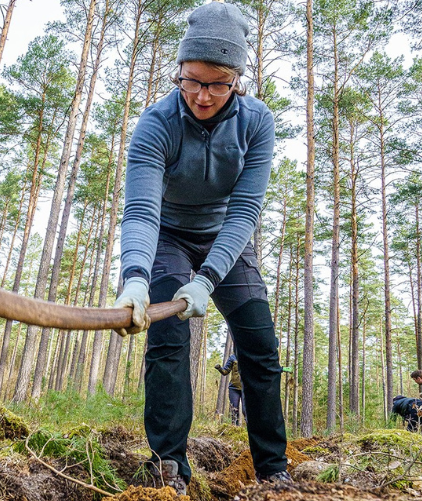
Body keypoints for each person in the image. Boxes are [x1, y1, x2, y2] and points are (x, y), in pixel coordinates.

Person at [112, 1, 290, 494]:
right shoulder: (156, 124)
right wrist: (135, 278)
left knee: (259, 346)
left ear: (238, 80)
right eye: (191, 80)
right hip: (167, 235)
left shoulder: (257, 122)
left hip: (226, 239)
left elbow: (245, 211)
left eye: (217, 83)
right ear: (179, 72)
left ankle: (273, 466)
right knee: (167, 340)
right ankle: (169, 464)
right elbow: (142, 212)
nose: (202, 95)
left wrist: (207, 279)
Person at [215, 353, 247, 426]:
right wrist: (219, 368)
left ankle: (249, 430)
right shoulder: (233, 357)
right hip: (234, 388)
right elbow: (225, 372)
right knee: (234, 410)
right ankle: (234, 428)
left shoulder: (249, 355)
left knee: (246, 410)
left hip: (246, 388)